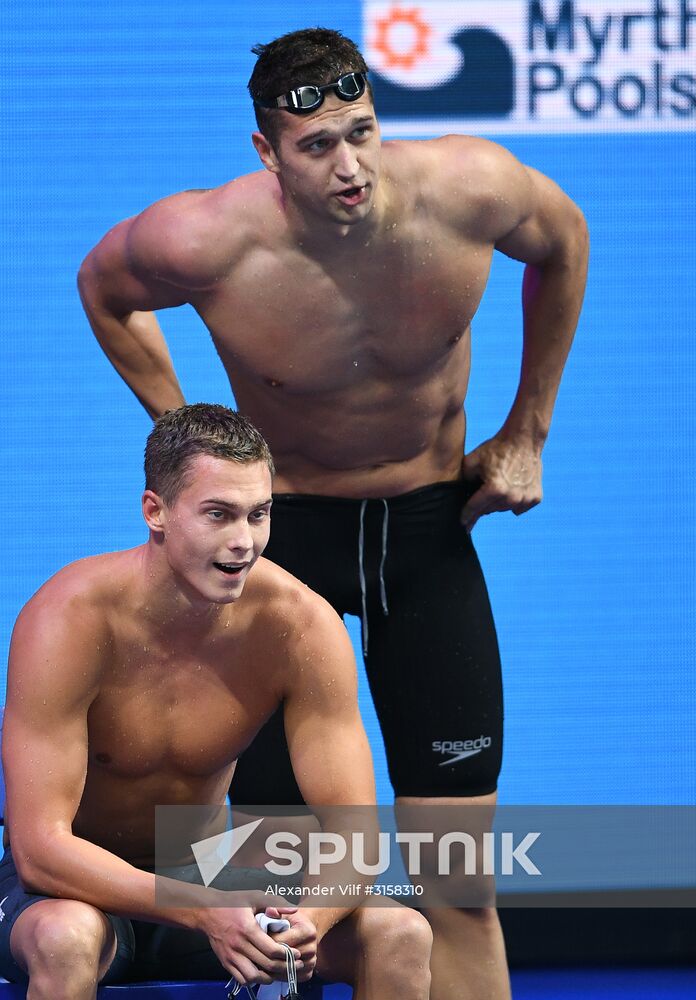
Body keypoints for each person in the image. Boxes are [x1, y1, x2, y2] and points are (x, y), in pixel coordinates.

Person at [77, 27, 589, 1000]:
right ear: (267, 153)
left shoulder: (468, 189)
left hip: (428, 538)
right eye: (317, 147)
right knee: (288, 883)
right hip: (283, 550)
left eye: (362, 133)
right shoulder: (206, 240)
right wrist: (190, 432)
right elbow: (103, 289)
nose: (350, 167)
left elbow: (564, 244)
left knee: (457, 884)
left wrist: (529, 429)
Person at [0, 403, 432, 1000]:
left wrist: (311, 923)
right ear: (156, 511)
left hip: (201, 875)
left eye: (259, 515)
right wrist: (203, 910)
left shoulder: (300, 625)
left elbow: (355, 834)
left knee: (399, 933)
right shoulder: (68, 621)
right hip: (73, 889)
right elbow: (38, 851)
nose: (243, 543)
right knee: (64, 938)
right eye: (218, 515)